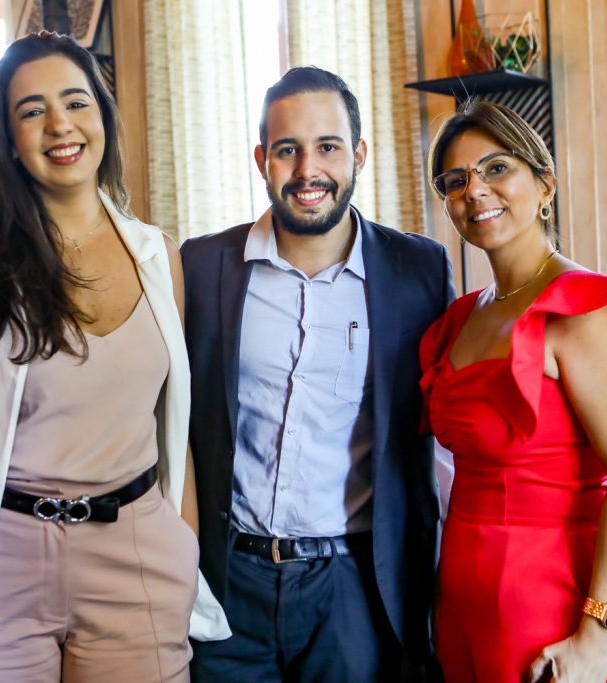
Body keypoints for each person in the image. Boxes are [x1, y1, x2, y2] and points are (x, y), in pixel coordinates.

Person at [0, 32, 227, 683]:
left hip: (137, 552)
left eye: (76, 102)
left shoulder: (158, 257)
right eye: (32, 110)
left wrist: (183, 553)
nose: (59, 124)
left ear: (103, 116)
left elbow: (168, 431)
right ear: (8, 137)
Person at [183, 66, 455, 682]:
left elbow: (442, 436)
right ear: (262, 160)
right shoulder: (201, 267)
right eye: (288, 150)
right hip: (227, 584)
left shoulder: (419, 272)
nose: (308, 170)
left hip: (355, 588)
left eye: (328, 146)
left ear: (358, 154)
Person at [418, 101, 607, 682]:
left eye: (495, 168)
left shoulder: (585, 310)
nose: (475, 190)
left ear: (545, 185)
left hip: (556, 607)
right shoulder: (460, 318)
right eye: (455, 180)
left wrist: (597, 634)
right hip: (464, 600)